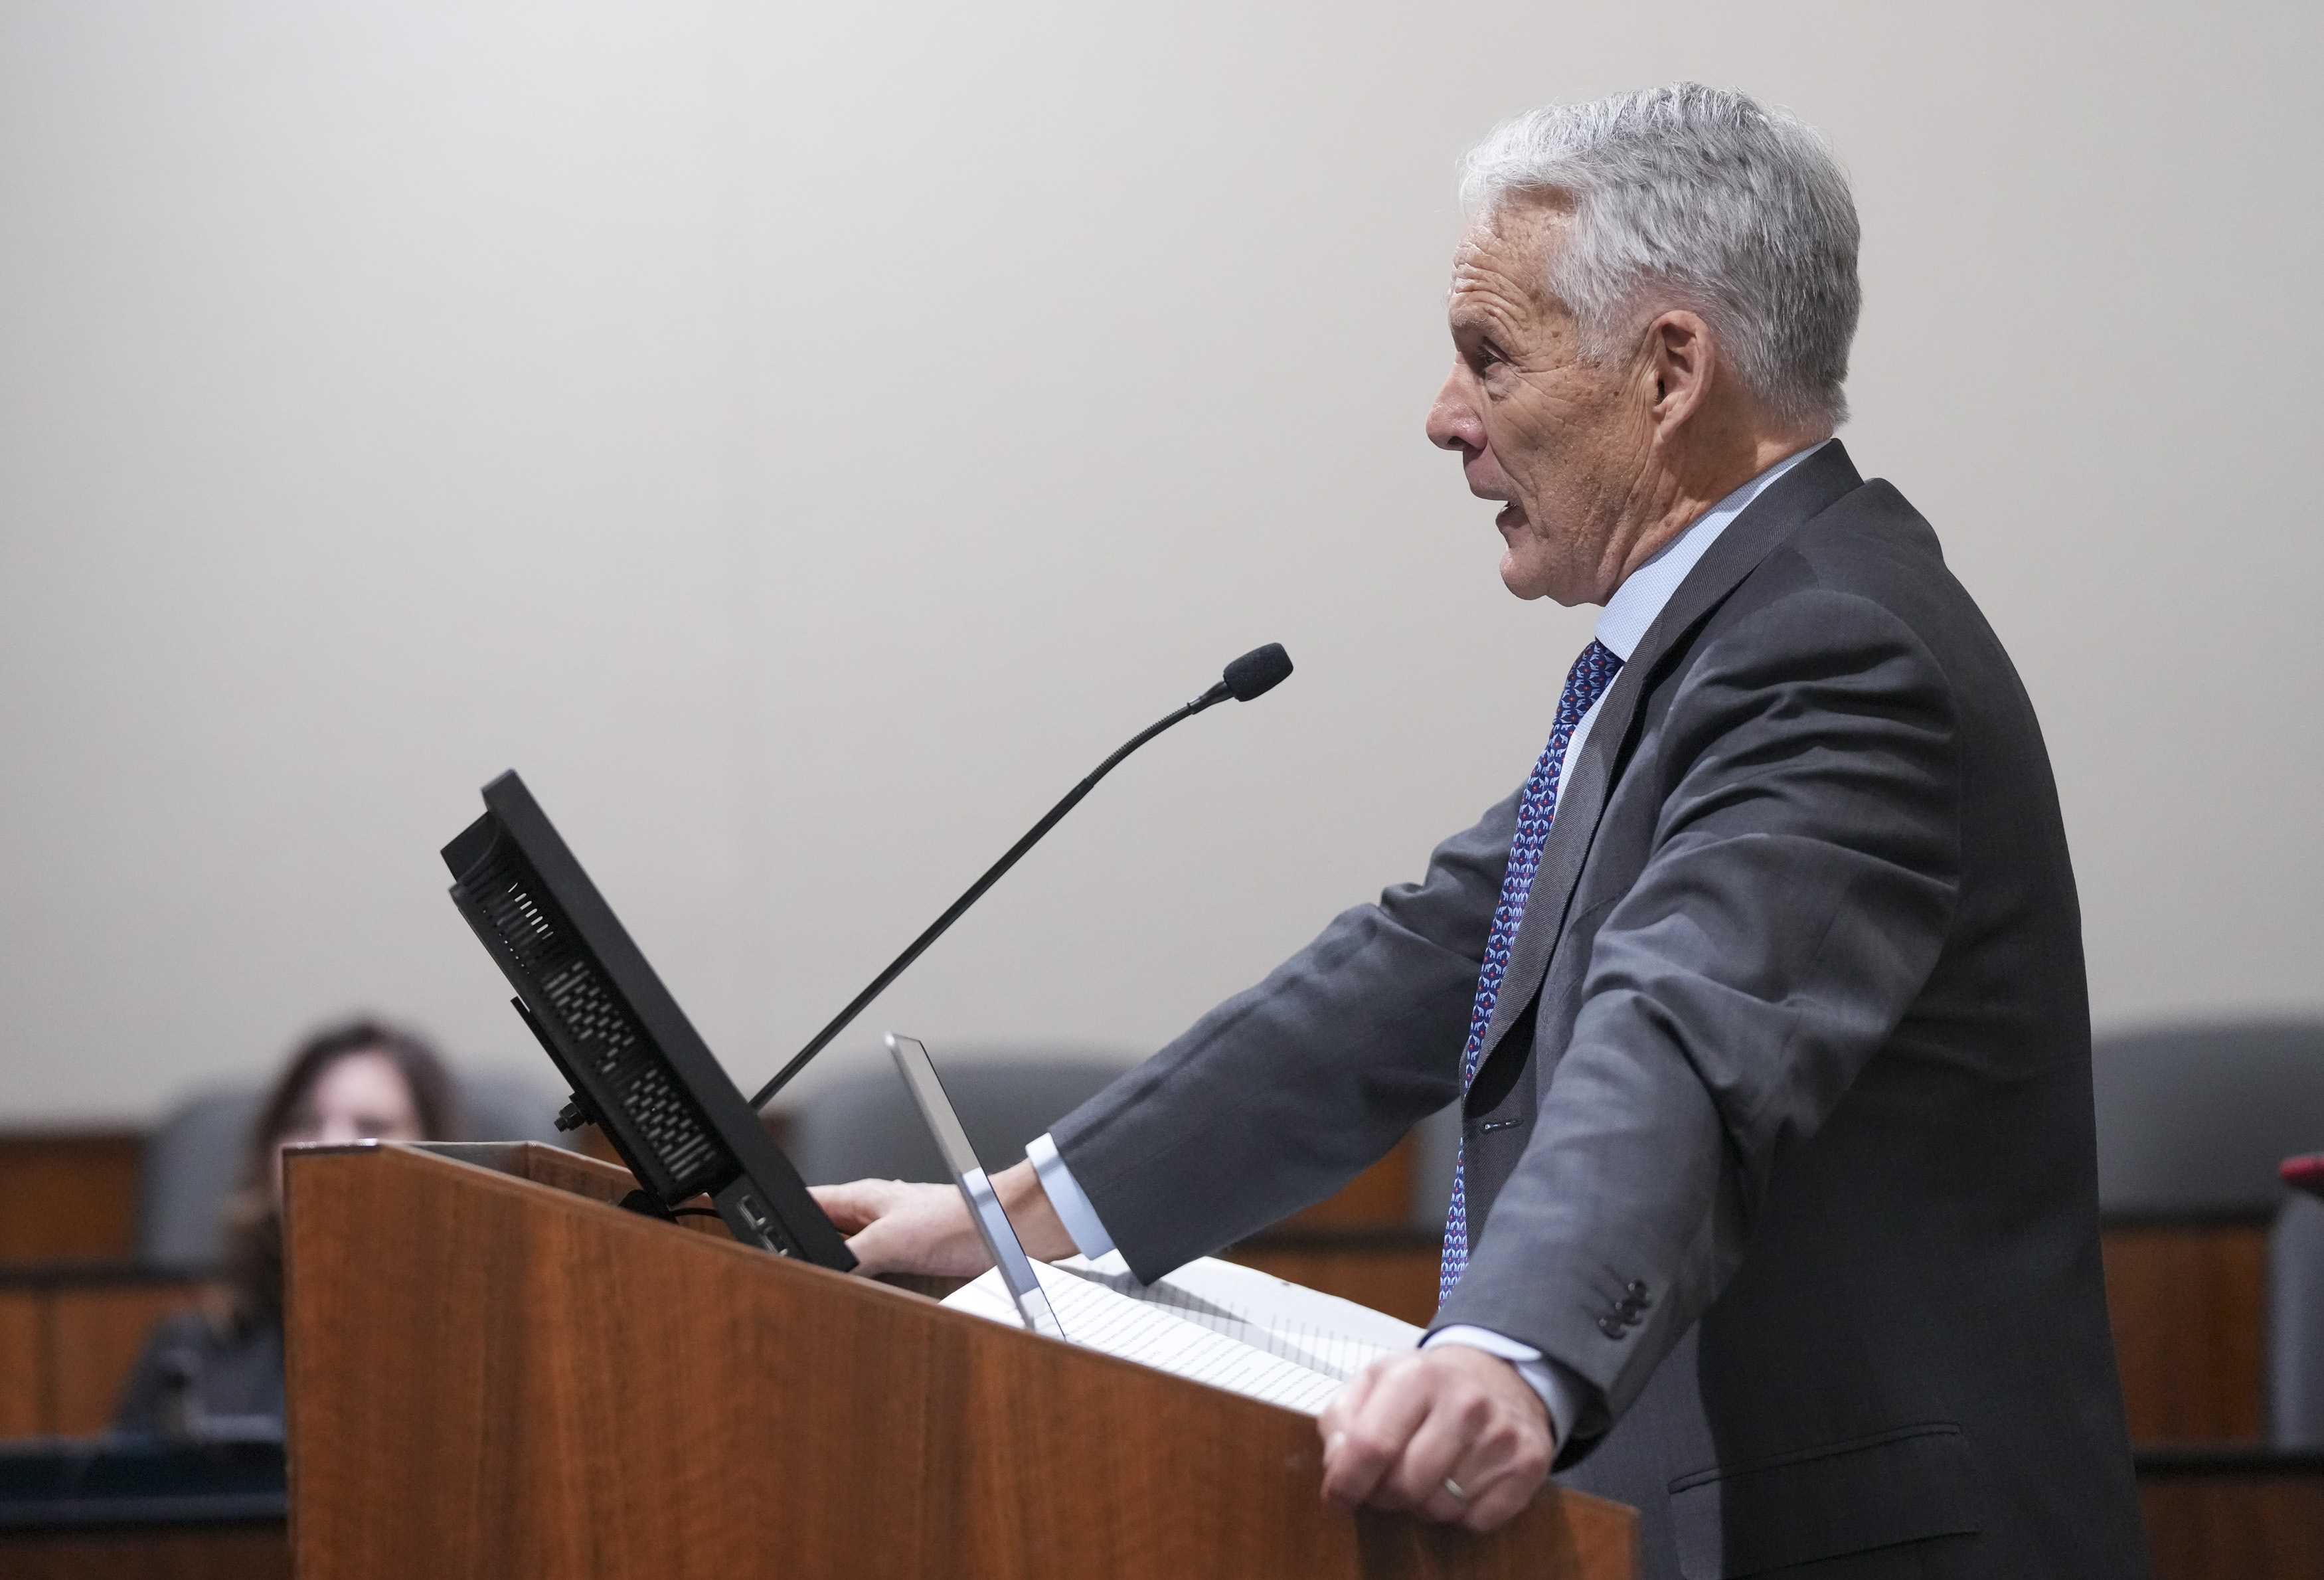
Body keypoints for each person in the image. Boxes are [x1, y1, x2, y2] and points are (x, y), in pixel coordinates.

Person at [815, 83, 2147, 1578]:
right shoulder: (1729, 635)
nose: (1446, 417)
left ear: (1670, 371)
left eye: (1489, 356)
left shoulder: (1832, 650)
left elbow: (1686, 1028)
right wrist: (1008, 1217)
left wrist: (1509, 1345)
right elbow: (1426, 961)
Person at [114, 1019, 457, 1438]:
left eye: (372, 1127)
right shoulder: (185, 1357)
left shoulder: (481, 1353)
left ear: (441, 1155)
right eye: (305, 1122)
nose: (329, 1147)